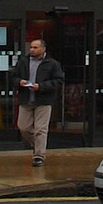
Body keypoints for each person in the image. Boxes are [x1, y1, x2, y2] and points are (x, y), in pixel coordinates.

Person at [14, 34, 64, 167]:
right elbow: (13, 76)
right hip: (26, 99)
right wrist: (19, 82)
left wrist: (41, 86)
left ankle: (39, 156)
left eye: (35, 47)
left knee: (41, 129)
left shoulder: (52, 63)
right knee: (23, 127)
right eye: (31, 47)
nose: (32, 50)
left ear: (43, 49)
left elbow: (58, 81)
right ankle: (38, 146)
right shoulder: (23, 62)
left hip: (43, 100)